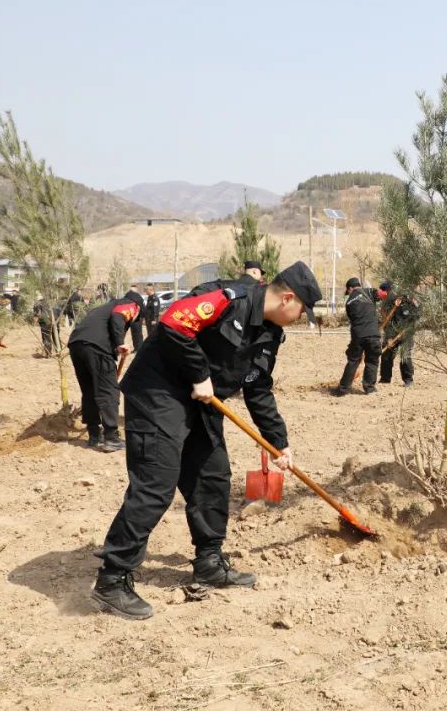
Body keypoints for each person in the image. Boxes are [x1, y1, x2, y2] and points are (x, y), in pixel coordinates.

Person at [90, 261, 322, 621]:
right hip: (159, 393)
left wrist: (279, 441)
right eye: (302, 310)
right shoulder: (231, 298)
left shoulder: (270, 333)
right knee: (156, 483)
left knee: (212, 477)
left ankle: (209, 562)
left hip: (203, 400)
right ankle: (113, 579)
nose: (300, 316)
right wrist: (199, 374)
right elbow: (175, 322)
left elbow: (258, 387)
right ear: (288, 297)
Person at [67, 290, 144, 451]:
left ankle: (94, 435)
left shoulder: (104, 307)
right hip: (97, 348)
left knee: (89, 391)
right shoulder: (130, 304)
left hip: (76, 345)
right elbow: (118, 317)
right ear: (137, 308)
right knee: (109, 390)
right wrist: (120, 343)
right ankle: (111, 437)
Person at [332, 277, 382, 395]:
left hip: (358, 335)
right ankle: (369, 388)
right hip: (373, 334)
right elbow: (381, 295)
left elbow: (353, 320)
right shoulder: (368, 292)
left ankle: (343, 389)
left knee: (353, 361)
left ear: (350, 288)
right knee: (372, 361)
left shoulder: (349, 302)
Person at [378, 281, 419, 387]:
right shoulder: (386, 305)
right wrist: (389, 338)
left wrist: (405, 331)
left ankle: (408, 380)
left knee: (405, 355)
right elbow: (387, 322)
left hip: (406, 334)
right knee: (386, 355)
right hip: (391, 334)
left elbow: (414, 317)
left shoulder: (408, 302)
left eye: (387, 291)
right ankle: (385, 379)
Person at [128, 284, 145, 351]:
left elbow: (142, 308)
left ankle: (140, 348)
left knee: (138, 334)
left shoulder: (139, 298)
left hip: (138, 317)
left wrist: (141, 316)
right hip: (131, 318)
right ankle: (136, 348)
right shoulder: (128, 296)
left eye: (133, 290)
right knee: (134, 334)